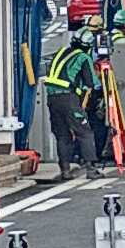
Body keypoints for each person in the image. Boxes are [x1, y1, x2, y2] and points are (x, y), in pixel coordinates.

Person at [44, 30, 103, 180]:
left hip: (52, 98)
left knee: (62, 135)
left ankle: (65, 170)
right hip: (69, 99)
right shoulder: (83, 57)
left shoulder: (61, 52)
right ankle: (91, 169)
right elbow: (92, 83)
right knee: (84, 132)